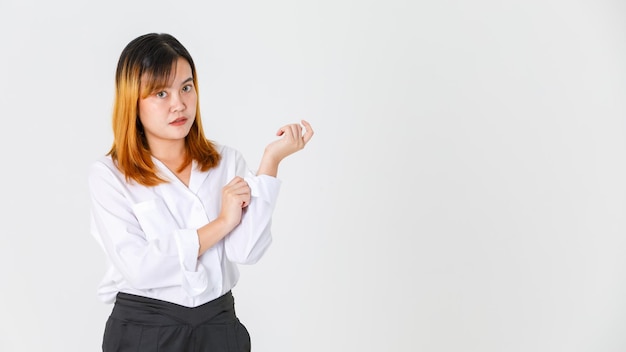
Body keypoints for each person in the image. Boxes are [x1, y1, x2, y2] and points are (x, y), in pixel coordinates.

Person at [88, 32, 313, 352]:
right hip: (144, 332)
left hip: (217, 327)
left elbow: (245, 252)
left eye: (186, 87)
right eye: (161, 93)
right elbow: (140, 268)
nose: (179, 104)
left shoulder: (226, 161)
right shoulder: (110, 175)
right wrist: (222, 223)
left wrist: (271, 161)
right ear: (132, 102)